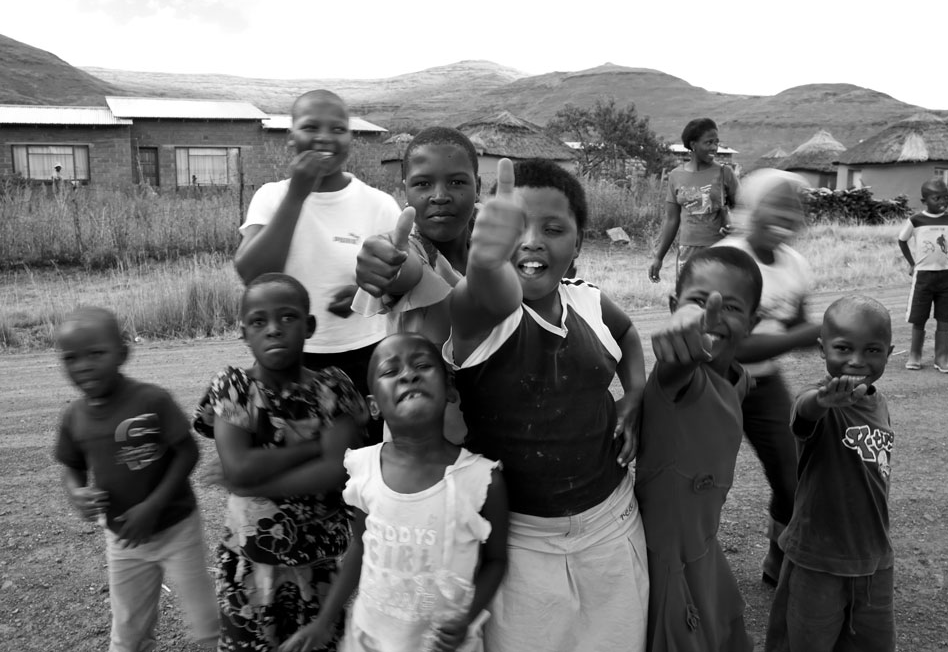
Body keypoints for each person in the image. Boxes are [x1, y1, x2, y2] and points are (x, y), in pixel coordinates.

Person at [446, 157, 648, 652]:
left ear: (578, 243)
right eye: (517, 227)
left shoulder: (589, 303)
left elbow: (627, 335)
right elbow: (483, 295)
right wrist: (485, 262)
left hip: (612, 524)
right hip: (518, 541)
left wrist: (635, 395)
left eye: (553, 229)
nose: (532, 240)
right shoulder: (482, 318)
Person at [279, 332, 508, 652]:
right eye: (390, 371)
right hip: (370, 640)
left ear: (449, 391)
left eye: (422, 365)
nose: (408, 374)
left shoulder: (481, 480)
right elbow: (360, 547)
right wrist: (324, 620)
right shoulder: (363, 469)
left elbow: (496, 561)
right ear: (373, 406)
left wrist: (467, 617)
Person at [192, 272, 369, 651]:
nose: (273, 329)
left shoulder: (333, 388)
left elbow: (334, 472)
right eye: (259, 321)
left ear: (309, 326)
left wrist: (251, 483)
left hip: (319, 564)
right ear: (243, 332)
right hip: (250, 566)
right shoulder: (234, 386)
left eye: (287, 317)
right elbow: (239, 466)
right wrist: (312, 448)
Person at [53, 306, 218, 651]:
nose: (83, 366)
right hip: (124, 540)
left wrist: (152, 506)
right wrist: (76, 492)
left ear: (123, 353)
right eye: (71, 358)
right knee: (128, 631)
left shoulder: (152, 399)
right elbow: (72, 466)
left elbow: (188, 452)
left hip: (176, 528)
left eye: (96, 354)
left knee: (206, 622)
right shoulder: (74, 417)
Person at [233, 89, 401, 416]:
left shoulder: (378, 204)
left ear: (351, 138)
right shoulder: (271, 197)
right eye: (310, 127)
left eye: (338, 129)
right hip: (288, 358)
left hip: (366, 354)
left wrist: (366, 296)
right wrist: (297, 195)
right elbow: (252, 274)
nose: (324, 138)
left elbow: (406, 282)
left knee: (362, 456)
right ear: (290, 137)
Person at [636, 247, 761, 652]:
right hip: (666, 563)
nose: (713, 314)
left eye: (732, 307)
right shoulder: (677, 381)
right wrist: (676, 346)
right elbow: (674, 367)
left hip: (703, 549)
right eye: (697, 301)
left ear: (752, 323)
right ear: (674, 307)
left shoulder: (738, 380)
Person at [764, 295, 895, 652]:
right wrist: (823, 402)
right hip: (817, 559)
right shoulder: (817, 399)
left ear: (889, 352)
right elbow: (804, 414)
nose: (857, 360)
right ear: (823, 349)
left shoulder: (878, 402)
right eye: (843, 348)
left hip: (873, 556)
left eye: (872, 350)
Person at [717, 169, 821, 585]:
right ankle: (685, 570)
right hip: (714, 383)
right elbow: (732, 347)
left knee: (792, 475)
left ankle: (778, 560)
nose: (786, 214)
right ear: (750, 210)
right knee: (700, 479)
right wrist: (807, 334)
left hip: (764, 384)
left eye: (794, 207)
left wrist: (848, 338)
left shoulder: (795, 265)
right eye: (775, 204)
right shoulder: (729, 261)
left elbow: (799, 325)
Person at [352, 126, 482, 442]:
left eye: (457, 182)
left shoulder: (492, 248)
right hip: (427, 451)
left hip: (499, 437)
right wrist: (385, 262)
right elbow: (404, 269)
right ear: (405, 191)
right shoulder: (414, 251)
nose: (440, 195)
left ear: (478, 186)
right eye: (423, 184)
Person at [648, 117, 738, 283]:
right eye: (708, 142)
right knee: (688, 300)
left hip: (719, 250)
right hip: (688, 251)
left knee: (718, 300)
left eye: (716, 142)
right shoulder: (676, 176)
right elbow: (671, 220)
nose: (714, 148)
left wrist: (735, 227)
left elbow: (743, 209)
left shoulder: (725, 173)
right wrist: (658, 257)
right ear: (693, 145)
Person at [898, 178, 948, 374]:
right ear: (924, 201)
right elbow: (902, 240)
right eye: (937, 198)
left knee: (944, 317)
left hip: (946, 277)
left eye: (946, 197)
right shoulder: (916, 220)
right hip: (923, 277)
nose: (943, 202)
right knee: (919, 317)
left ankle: (942, 358)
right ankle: (915, 355)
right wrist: (912, 263)